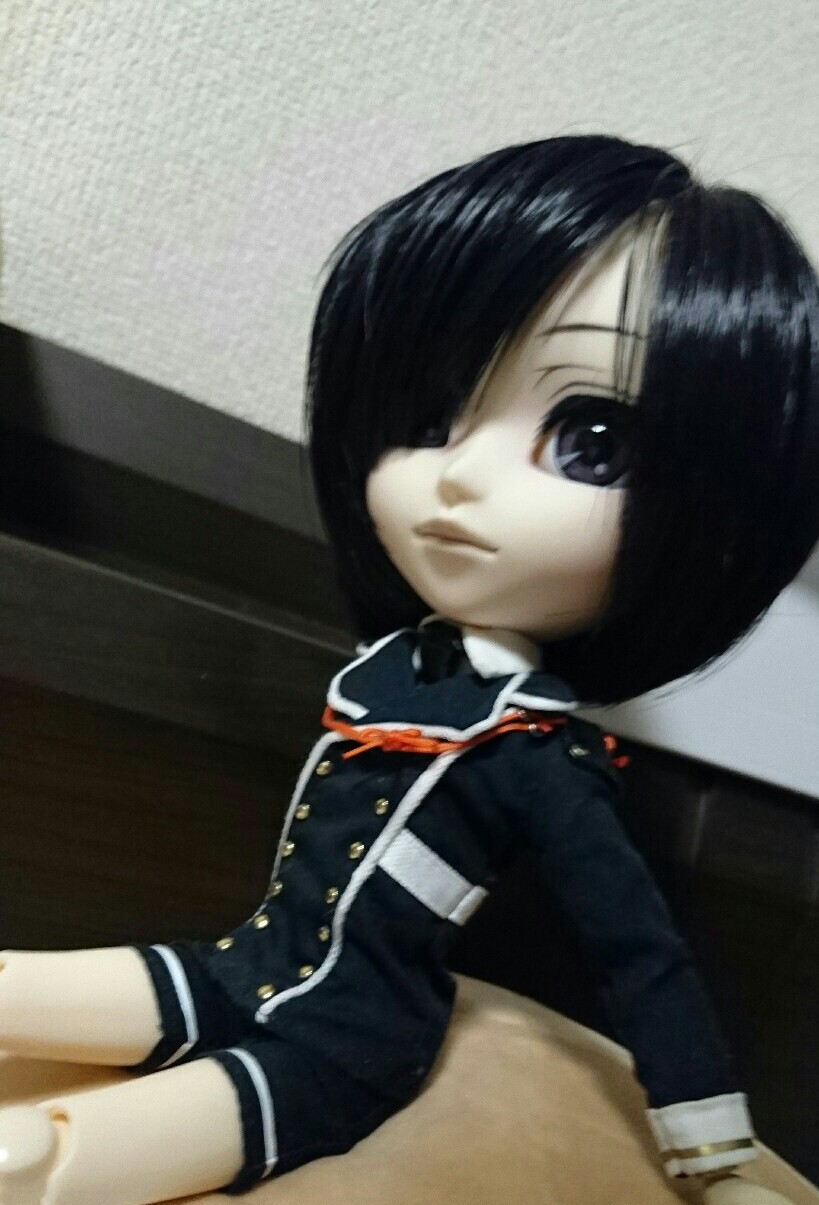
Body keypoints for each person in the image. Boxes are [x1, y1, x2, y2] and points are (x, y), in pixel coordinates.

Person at [0, 135, 816, 1204]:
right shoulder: (390, 674)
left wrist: (716, 1161)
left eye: (589, 439)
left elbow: (644, 958)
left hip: (344, 1045)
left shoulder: (537, 757)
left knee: (40, 1156)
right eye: (429, 418)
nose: (460, 475)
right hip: (241, 967)